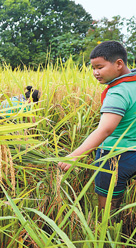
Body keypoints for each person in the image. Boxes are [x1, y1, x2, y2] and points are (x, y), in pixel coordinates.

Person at [58, 41, 136, 211]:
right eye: (93, 68)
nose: (95, 73)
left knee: (106, 211)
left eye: (99, 67)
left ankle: (105, 232)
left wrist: (75, 155)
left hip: (114, 156)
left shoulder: (118, 91)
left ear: (118, 64)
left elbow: (105, 129)